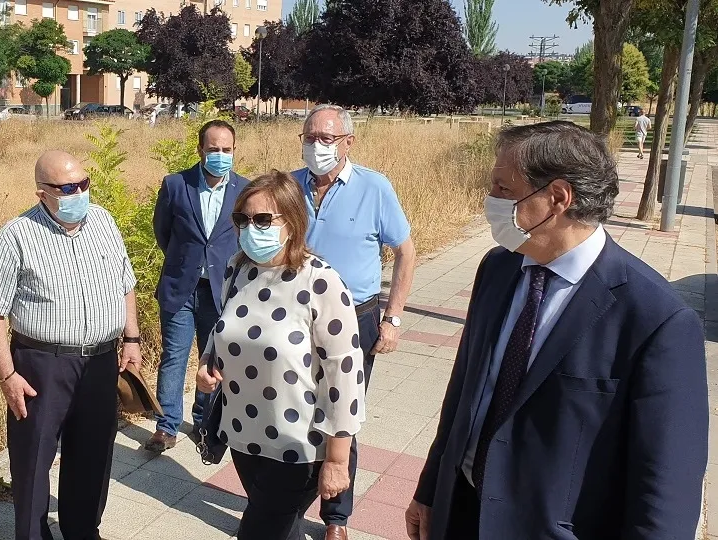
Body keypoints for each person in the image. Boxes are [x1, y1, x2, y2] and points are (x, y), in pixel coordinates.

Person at [405, 121, 707, 540]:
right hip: (462, 513)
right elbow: (463, 394)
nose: (489, 201)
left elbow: (665, 489)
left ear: (558, 198)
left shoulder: (657, 319)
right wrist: (430, 487)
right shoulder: (498, 268)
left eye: (503, 189)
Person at [0, 150, 143, 540]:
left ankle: (83, 529)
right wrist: (8, 376)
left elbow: (125, 282)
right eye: (68, 188)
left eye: (84, 183)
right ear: (42, 194)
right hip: (41, 365)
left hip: (101, 361)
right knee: (33, 460)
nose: (80, 193)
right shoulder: (15, 236)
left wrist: (131, 337)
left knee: (93, 454)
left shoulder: (103, 221)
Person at [196, 170, 366, 540]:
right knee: (282, 530)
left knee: (258, 532)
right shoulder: (238, 268)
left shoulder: (320, 281)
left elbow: (345, 376)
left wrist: (338, 459)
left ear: (292, 222)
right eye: (242, 219)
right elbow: (224, 324)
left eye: (262, 219)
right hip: (244, 435)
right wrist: (208, 361)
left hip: (298, 446)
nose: (250, 229)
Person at [292, 104, 416, 540]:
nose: (316, 146)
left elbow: (406, 253)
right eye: (310, 137)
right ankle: (290, 500)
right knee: (296, 410)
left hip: (354, 318)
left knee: (341, 413)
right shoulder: (290, 187)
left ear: (348, 142)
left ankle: (336, 518)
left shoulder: (374, 188)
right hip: (296, 318)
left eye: (326, 139)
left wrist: (393, 319)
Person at [148, 120, 250, 452]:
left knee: (214, 359)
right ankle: (167, 425)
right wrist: (185, 262)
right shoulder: (176, 185)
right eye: (213, 149)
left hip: (220, 291)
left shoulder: (245, 190)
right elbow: (163, 232)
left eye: (226, 150)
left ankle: (205, 419)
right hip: (181, 287)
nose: (220, 155)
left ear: (234, 151)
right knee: (174, 356)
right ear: (200, 150)